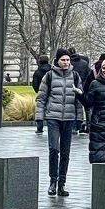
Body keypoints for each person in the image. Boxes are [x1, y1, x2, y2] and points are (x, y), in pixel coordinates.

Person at [34, 48, 83, 196]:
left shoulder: (75, 76)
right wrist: (39, 118)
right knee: (54, 149)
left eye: (68, 60)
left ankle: (62, 183)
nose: (66, 62)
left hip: (68, 118)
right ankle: (52, 181)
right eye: (63, 60)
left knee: (65, 152)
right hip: (53, 117)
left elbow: (79, 99)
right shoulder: (49, 76)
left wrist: (79, 118)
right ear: (57, 61)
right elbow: (41, 98)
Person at [69, 46, 92, 134]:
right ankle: (88, 125)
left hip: (71, 87)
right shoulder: (84, 63)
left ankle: (75, 126)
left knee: (73, 107)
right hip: (83, 86)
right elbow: (88, 75)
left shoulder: (68, 63)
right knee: (86, 107)